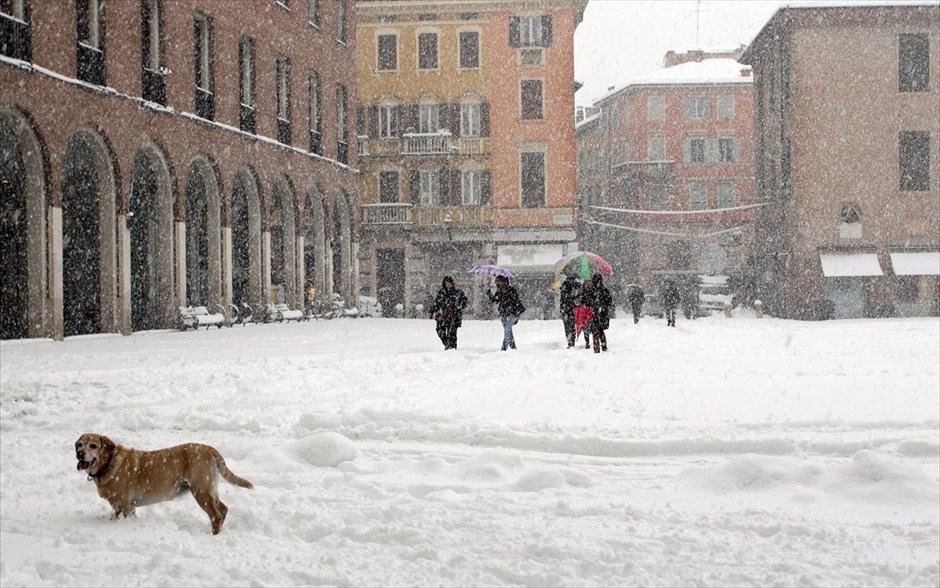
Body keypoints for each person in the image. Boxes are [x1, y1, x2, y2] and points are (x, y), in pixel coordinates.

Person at [427, 276, 468, 350]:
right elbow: (437, 302)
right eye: (446, 283)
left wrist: (457, 308)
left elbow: (463, 303)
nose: (447, 285)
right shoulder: (442, 292)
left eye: (449, 283)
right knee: (439, 330)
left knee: (452, 333)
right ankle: (447, 344)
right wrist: (432, 311)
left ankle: (452, 347)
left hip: (454, 316)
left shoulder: (458, 293)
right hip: (443, 315)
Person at [487, 275, 525, 351]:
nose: (496, 283)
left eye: (498, 281)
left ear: (502, 281)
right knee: (508, 330)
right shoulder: (499, 291)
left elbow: (516, 301)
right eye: (496, 281)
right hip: (503, 313)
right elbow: (495, 301)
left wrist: (515, 311)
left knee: (507, 329)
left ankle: (504, 347)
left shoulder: (511, 290)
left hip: (511, 313)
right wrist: (490, 294)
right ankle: (513, 346)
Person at [589, 274, 613, 353]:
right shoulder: (605, 290)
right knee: (600, 329)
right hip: (603, 313)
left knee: (595, 331)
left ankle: (597, 349)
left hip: (595, 313)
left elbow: (587, 301)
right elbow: (610, 302)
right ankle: (603, 345)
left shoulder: (592, 290)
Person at [559, 275, 580, 348]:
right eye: (570, 279)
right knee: (568, 326)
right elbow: (565, 298)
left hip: (572, 309)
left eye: (572, 279)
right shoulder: (565, 287)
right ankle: (570, 341)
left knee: (572, 326)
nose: (571, 281)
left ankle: (571, 341)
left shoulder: (575, 286)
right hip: (566, 309)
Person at [577, 278, 595, 349]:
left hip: (592, 310)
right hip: (585, 311)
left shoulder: (594, 290)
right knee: (585, 327)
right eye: (587, 282)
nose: (589, 283)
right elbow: (581, 300)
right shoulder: (583, 291)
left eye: (590, 282)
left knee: (593, 326)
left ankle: (594, 340)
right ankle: (587, 342)